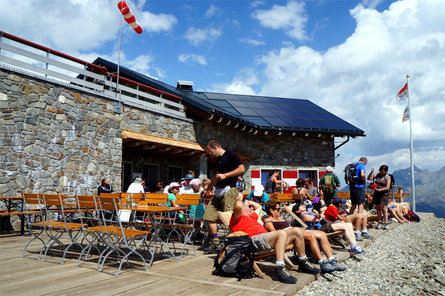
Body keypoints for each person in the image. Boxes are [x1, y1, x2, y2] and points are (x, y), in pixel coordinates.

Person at [230, 194, 320, 284]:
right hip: (252, 242)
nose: (252, 208)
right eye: (249, 206)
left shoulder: (251, 216)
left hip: (266, 239)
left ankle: (303, 261)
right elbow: (238, 206)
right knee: (281, 233)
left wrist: (249, 202)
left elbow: (259, 206)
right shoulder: (236, 218)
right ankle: (280, 268)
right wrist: (239, 198)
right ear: (242, 207)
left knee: (296, 230)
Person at [264, 200, 345, 272]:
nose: (280, 211)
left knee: (322, 234)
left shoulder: (279, 218)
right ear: (271, 210)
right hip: (289, 236)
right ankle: (322, 262)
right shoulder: (268, 221)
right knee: (310, 236)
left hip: (296, 232)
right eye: (278, 209)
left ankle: (332, 260)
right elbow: (275, 234)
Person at [202, 140, 245, 252]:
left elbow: (241, 169)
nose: (210, 154)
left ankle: (235, 244)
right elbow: (217, 176)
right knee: (209, 215)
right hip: (218, 191)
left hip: (229, 190)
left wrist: (226, 175)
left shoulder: (230, 154)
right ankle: (216, 242)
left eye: (210, 151)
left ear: (215, 147)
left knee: (229, 218)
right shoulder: (218, 160)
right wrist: (208, 188)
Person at [293, 202, 366, 255]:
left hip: (326, 225)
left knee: (348, 224)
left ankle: (354, 246)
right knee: (346, 226)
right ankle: (353, 247)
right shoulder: (303, 215)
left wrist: (320, 215)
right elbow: (317, 220)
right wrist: (319, 216)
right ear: (297, 211)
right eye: (300, 206)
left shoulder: (309, 213)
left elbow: (321, 217)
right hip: (321, 228)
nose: (303, 205)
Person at [367, 165, 392, 230]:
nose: (382, 172)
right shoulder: (377, 175)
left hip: (384, 194)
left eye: (383, 171)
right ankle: (379, 222)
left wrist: (380, 190)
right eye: (381, 171)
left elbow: (387, 187)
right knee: (378, 208)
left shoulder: (388, 176)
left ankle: (385, 223)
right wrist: (371, 172)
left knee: (384, 208)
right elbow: (369, 179)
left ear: (386, 171)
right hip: (376, 193)